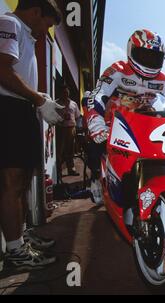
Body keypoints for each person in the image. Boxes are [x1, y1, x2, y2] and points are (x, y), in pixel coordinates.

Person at [0, 0, 63, 270]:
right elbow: (2, 69)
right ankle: (14, 251)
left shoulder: (23, 31)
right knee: (12, 181)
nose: (43, 31)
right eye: (46, 25)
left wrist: (39, 98)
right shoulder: (9, 23)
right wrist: (38, 99)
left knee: (23, 180)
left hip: (22, 108)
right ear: (36, 12)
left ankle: (22, 237)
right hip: (9, 109)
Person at [86, 28, 165, 185]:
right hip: (115, 127)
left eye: (154, 57)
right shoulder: (117, 71)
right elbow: (97, 96)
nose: (149, 60)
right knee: (94, 147)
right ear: (131, 50)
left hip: (148, 128)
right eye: (144, 55)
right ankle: (95, 177)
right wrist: (96, 124)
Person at [56, 84, 81, 179]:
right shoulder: (56, 103)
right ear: (60, 93)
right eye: (64, 92)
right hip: (60, 129)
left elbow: (78, 116)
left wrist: (78, 128)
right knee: (59, 151)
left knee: (70, 150)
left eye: (67, 92)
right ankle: (58, 171)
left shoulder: (73, 104)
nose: (65, 94)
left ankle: (71, 169)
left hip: (71, 129)